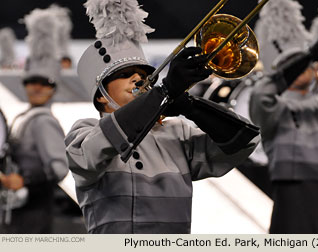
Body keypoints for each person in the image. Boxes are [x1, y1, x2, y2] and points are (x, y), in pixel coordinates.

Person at [64, 0, 260, 234]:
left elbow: (245, 141)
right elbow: (92, 154)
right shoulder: (83, 131)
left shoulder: (177, 132)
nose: (138, 79)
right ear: (102, 97)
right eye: (125, 75)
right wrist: (164, 91)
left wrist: (189, 106)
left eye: (144, 74)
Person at [249, 36, 318, 233]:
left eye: (307, 63)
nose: (306, 67)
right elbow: (260, 96)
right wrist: (301, 61)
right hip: (293, 187)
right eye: (296, 65)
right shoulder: (274, 108)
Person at [0, 8, 68, 234]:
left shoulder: (43, 122)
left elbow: (60, 168)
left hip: (33, 217)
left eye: (44, 82)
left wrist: (25, 180)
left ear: (54, 87)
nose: (37, 86)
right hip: (16, 212)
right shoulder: (23, 116)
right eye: (31, 81)